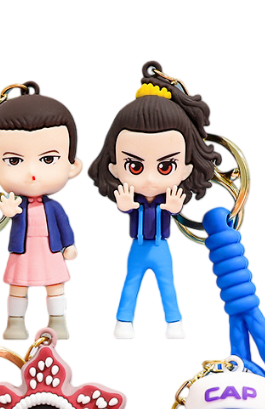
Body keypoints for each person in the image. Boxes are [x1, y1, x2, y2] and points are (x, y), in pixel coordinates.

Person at [89, 62, 221, 338]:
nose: (149, 180)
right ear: (114, 167)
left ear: (186, 168)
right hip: (138, 247)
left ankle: (174, 322)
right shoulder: (132, 201)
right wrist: (125, 206)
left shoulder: (168, 200)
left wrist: (174, 209)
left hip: (161, 247)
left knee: (167, 284)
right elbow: (129, 208)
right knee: (131, 283)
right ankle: (124, 322)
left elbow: (169, 210)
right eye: (135, 166)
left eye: (165, 167)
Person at [0, 86, 81, 340]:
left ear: (72, 166)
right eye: (14, 161)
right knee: (18, 286)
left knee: (55, 285)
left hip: (51, 249)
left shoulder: (54, 208)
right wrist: (6, 212)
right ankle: (15, 323)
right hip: (22, 251)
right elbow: (2, 221)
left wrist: (69, 245)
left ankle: (58, 321)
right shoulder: (14, 204)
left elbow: (64, 226)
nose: (31, 173)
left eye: (48, 159)